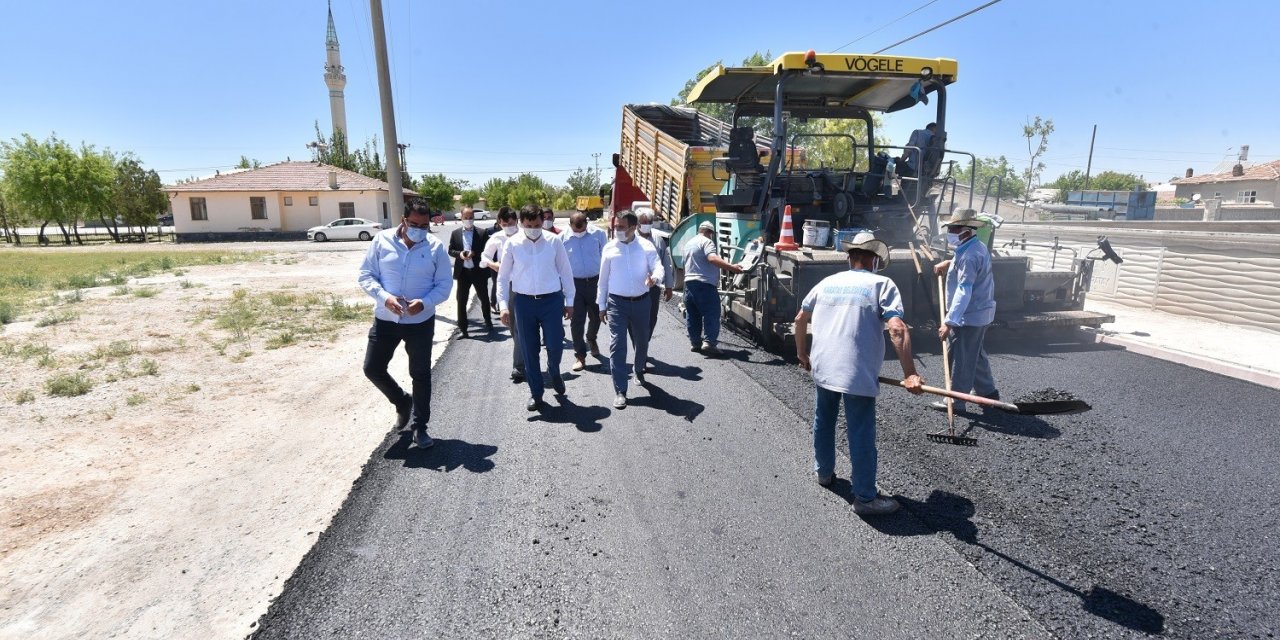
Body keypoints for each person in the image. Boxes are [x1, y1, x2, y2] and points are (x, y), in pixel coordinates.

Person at [793, 232, 924, 516]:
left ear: (851, 257)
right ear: (874, 259)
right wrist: (910, 373)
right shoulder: (881, 284)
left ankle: (824, 473)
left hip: (823, 365)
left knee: (823, 420)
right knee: (861, 431)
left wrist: (802, 354)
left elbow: (800, 318)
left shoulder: (828, 283)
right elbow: (897, 329)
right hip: (855, 371)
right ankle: (865, 497)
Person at [357, 202, 453, 449]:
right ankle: (401, 402)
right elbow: (366, 275)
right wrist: (384, 298)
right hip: (386, 319)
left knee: (420, 375)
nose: (419, 230)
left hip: (420, 322)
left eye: (424, 226)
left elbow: (444, 284)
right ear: (403, 219)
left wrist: (425, 302)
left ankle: (420, 427)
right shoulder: (381, 241)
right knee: (372, 368)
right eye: (414, 225)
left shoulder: (435, 248)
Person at [498, 204, 575, 411]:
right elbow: (503, 277)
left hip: (551, 300)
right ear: (521, 223)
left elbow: (566, 272)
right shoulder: (512, 244)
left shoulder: (553, 241)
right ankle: (536, 393)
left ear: (543, 223)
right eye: (529, 225)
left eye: (537, 225)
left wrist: (570, 302)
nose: (533, 228)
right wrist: (504, 305)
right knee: (529, 350)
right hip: (523, 303)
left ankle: (554, 370)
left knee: (555, 344)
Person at [931, 208, 998, 413]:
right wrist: (949, 262)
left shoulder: (970, 255)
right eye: (950, 227)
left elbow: (964, 290)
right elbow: (969, 266)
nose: (950, 231)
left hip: (970, 314)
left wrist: (949, 321)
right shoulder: (975, 247)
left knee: (962, 358)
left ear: (967, 230)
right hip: (977, 311)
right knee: (974, 354)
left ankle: (956, 401)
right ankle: (988, 394)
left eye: (954, 228)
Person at [597, 211, 663, 409]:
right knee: (617, 344)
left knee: (642, 340)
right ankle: (620, 390)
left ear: (633, 228)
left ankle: (638, 368)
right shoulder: (609, 249)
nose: (616, 230)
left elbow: (658, 267)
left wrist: (655, 279)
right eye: (615, 227)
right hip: (617, 303)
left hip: (642, 302)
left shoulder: (645, 246)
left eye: (621, 227)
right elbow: (603, 281)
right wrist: (601, 305)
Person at [682, 221, 743, 356]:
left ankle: (695, 342)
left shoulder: (688, 244)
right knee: (712, 312)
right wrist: (732, 267)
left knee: (693, 315)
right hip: (704, 284)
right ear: (710, 233)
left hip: (689, 285)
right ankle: (709, 343)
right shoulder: (707, 242)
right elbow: (712, 258)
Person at [482, 207, 525, 381]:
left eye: (512, 223)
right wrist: (494, 265)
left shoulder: (524, 236)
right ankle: (523, 357)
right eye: (505, 224)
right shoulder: (495, 238)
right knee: (513, 328)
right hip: (506, 285)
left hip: (524, 286)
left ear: (517, 222)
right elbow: (484, 258)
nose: (509, 227)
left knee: (521, 328)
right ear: (499, 223)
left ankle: (520, 365)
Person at [563, 212, 607, 372]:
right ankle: (580, 356)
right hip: (574, 285)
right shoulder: (563, 238)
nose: (580, 233)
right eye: (576, 230)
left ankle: (591, 338)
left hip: (596, 282)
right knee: (577, 321)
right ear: (570, 226)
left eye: (582, 230)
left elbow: (605, 257)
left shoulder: (599, 234)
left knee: (597, 316)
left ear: (587, 224)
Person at [448, 206, 492, 338]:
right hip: (463, 273)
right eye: (466, 218)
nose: (468, 220)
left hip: (478, 272)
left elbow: (487, 251)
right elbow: (450, 250)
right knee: (461, 301)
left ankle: (489, 324)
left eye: (471, 217)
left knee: (484, 299)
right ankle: (463, 329)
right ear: (461, 217)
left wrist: (475, 253)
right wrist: (460, 254)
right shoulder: (455, 233)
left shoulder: (482, 233)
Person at [637, 211, 674, 351]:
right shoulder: (631, 239)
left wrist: (669, 286)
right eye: (643, 223)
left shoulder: (658, 239)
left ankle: (643, 345)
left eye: (648, 223)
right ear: (637, 224)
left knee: (651, 319)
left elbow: (666, 263)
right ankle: (641, 350)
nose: (646, 226)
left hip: (653, 288)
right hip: (635, 287)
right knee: (637, 321)